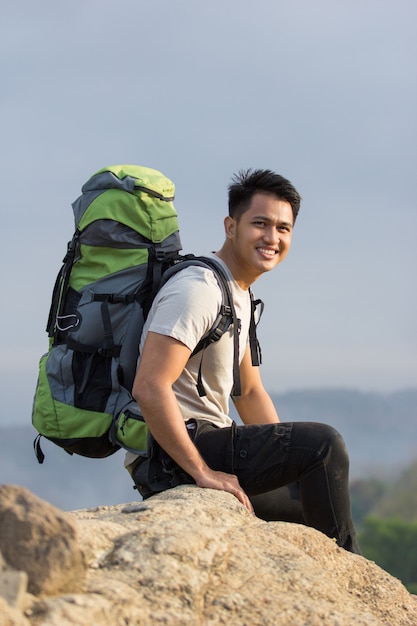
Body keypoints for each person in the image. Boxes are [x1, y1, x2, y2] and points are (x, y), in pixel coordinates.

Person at [126, 168, 361, 554]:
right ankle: (355, 579)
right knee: (325, 445)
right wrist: (201, 473)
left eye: (283, 228)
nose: (272, 238)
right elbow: (150, 386)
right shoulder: (198, 290)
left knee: (311, 504)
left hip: (211, 440)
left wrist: (293, 473)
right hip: (176, 452)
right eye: (260, 224)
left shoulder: (238, 294)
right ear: (231, 226)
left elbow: (249, 392)